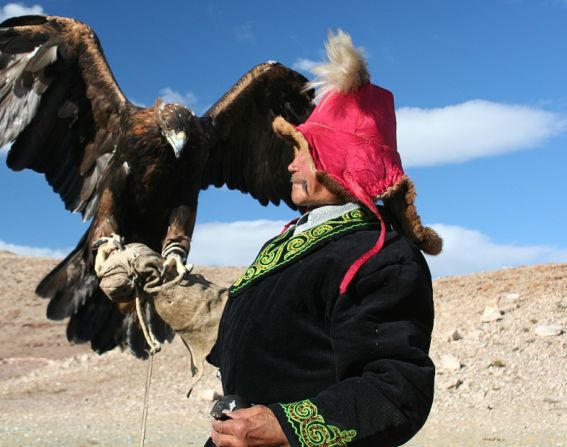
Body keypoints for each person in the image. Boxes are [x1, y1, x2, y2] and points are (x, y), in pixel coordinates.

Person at [95, 30, 442, 447]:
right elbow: (268, 345)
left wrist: (283, 426)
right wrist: (174, 292)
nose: (290, 164)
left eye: (303, 150)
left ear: (340, 163)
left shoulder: (378, 256)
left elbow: (398, 389)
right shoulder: (290, 246)